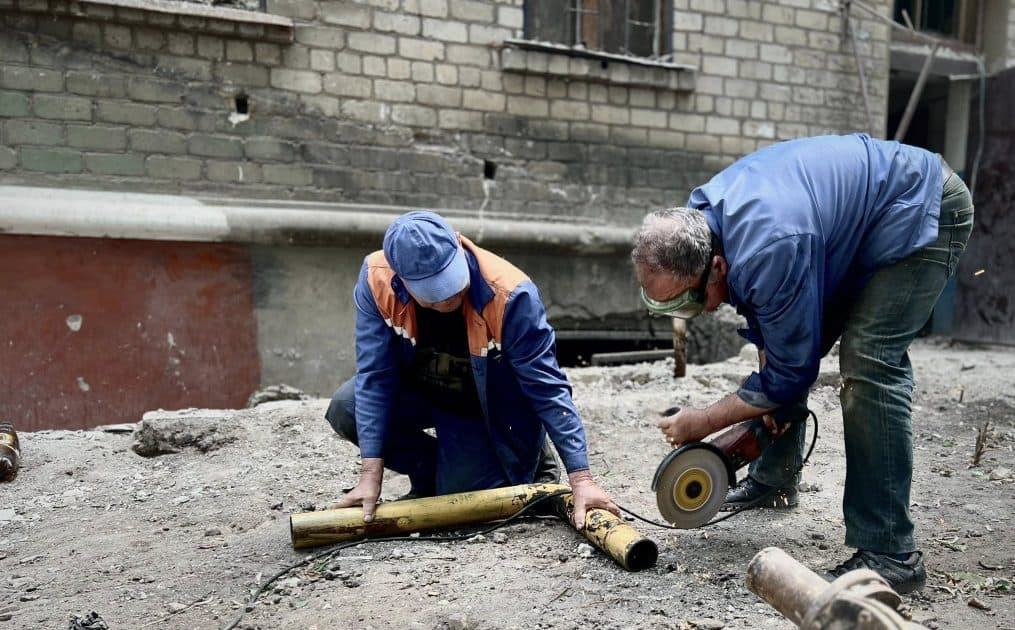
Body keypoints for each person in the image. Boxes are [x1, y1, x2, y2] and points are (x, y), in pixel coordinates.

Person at [631, 133, 974, 593]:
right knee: (781, 343)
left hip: (921, 206)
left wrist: (703, 422)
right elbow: (779, 343)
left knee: (869, 362)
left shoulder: (769, 247)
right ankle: (775, 479)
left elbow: (792, 373)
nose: (701, 313)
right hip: (845, 228)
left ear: (716, 266)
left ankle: (891, 552)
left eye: (693, 302)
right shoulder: (705, 218)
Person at [326, 210, 619, 530]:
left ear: (458, 243)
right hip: (425, 388)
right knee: (346, 407)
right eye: (433, 294)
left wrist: (582, 478)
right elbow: (375, 376)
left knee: (468, 504)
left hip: (485, 406)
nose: (448, 298)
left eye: (450, 282)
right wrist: (370, 476)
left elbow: (548, 388)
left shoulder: (511, 293)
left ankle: (530, 454)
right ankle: (431, 474)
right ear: (402, 280)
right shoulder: (376, 279)